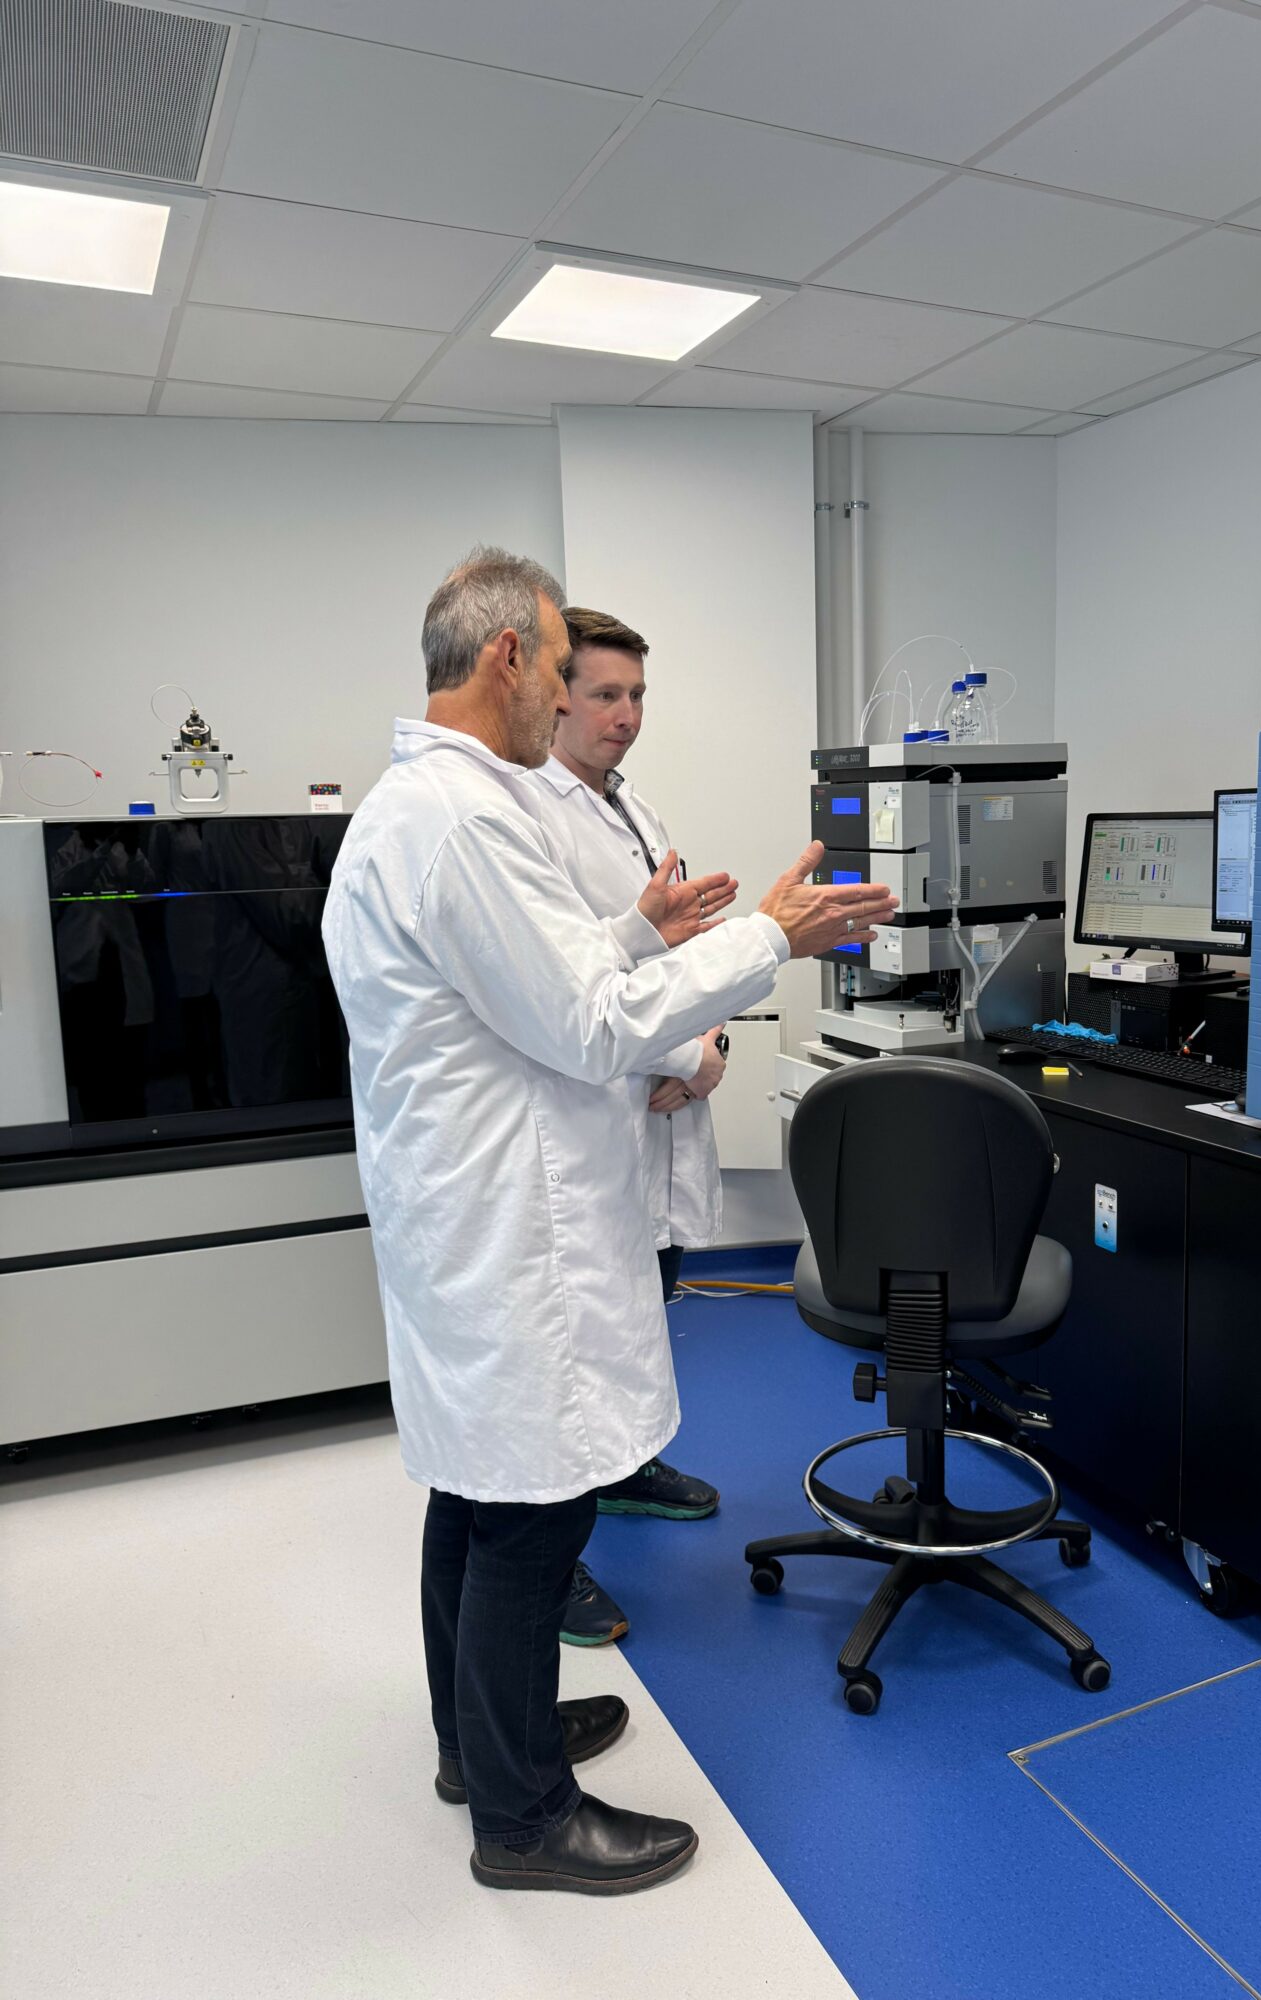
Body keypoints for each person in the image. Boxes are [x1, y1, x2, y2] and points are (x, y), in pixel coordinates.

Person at [322, 547, 894, 1896]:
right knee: (529, 1513)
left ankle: (480, 1742)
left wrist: (639, 933)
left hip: (469, 1216)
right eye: (565, 671)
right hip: (511, 1229)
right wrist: (768, 939)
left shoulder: (429, 806)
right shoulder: (463, 820)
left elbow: (545, 975)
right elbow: (589, 1025)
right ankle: (522, 1819)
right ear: (511, 658)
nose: (580, 700)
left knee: (477, 1496)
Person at [526, 609, 725, 1651]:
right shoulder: (535, 817)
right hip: (605, 1109)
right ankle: (550, 1561)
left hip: (663, 1098)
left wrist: (711, 1038)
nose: (626, 715)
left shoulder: (629, 804)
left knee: (650, 1295)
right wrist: (692, 1056)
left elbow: (674, 950)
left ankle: (628, 1465)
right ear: (554, 695)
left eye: (637, 695)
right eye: (606, 694)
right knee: (582, 1347)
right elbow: (575, 992)